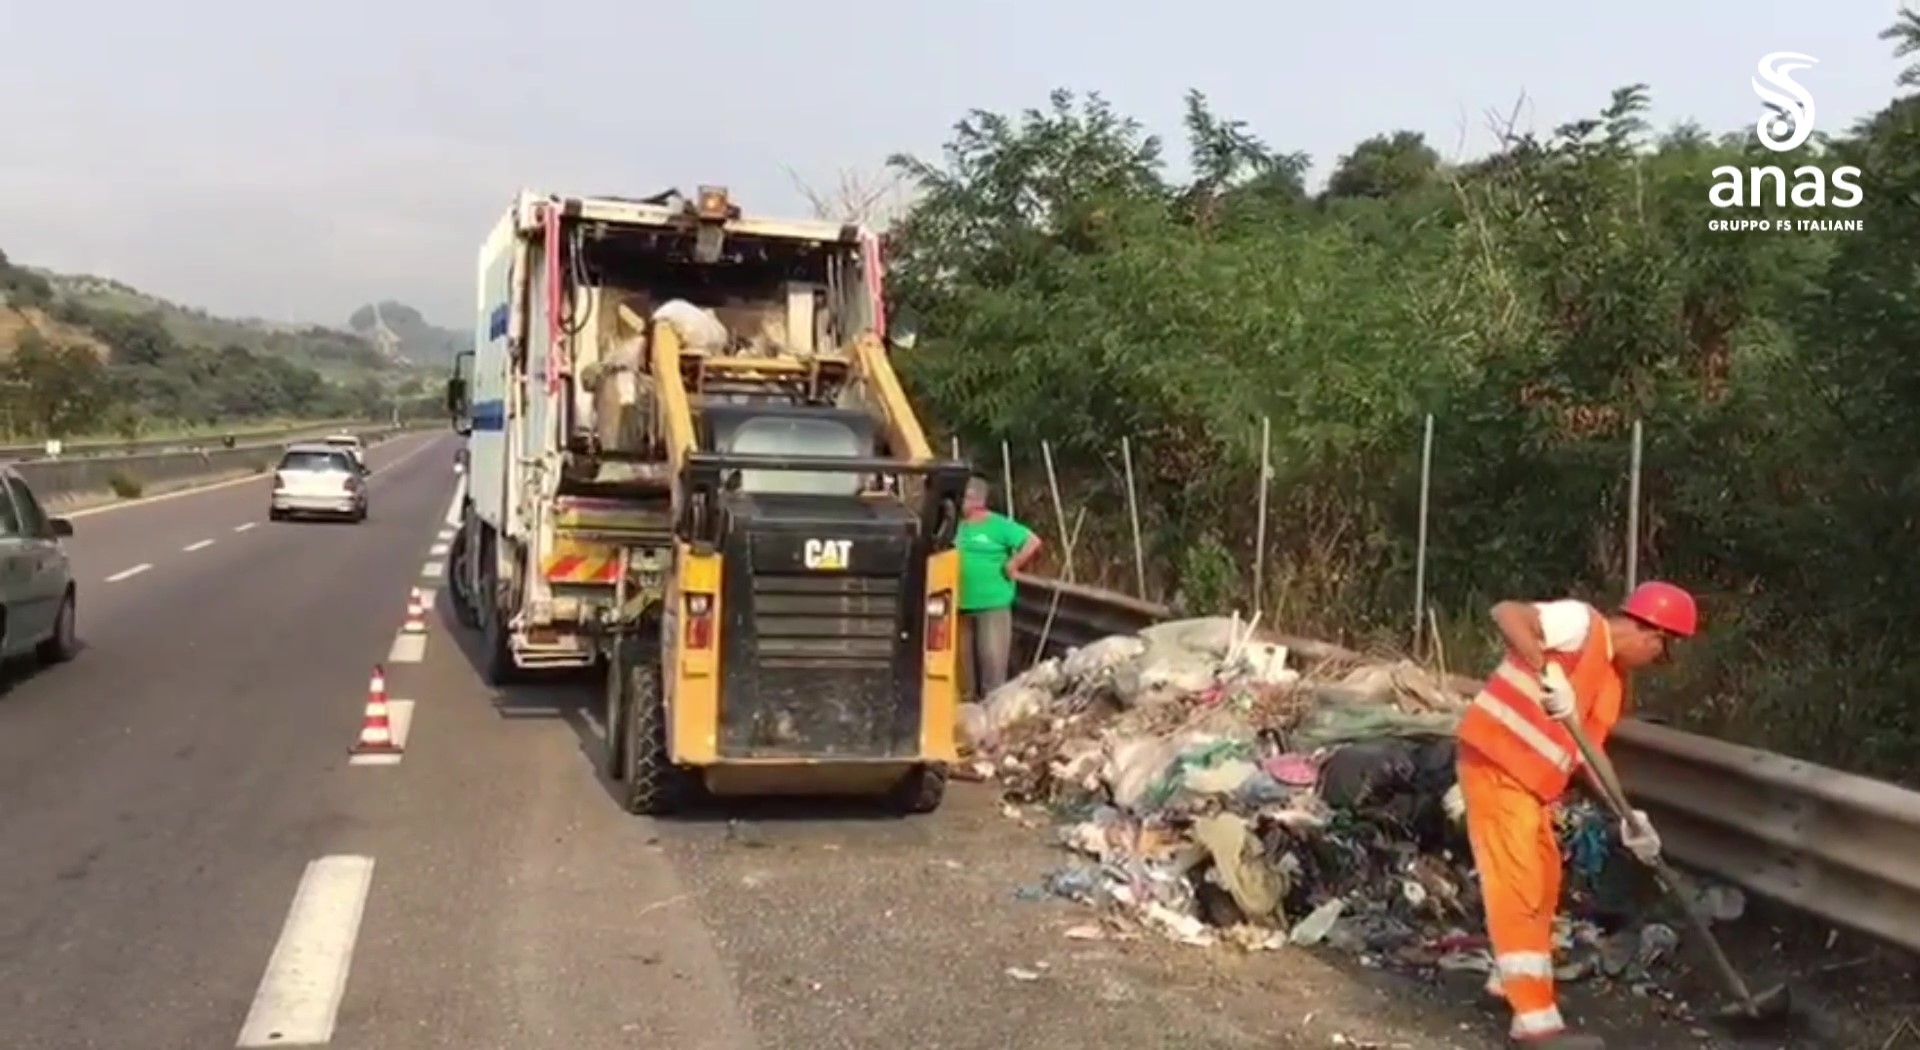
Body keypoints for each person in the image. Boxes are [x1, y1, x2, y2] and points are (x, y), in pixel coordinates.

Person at [1455, 581, 1699, 1048]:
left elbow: (1590, 755)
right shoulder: (1579, 624)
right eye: (1663, 652)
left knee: (1544, 883)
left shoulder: (1609, 681)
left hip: (1529, 787)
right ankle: (1534, 1022)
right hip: (1496, 763)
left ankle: (1505, 982)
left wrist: (1629, 816)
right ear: (1652, 635)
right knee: (1519, 885)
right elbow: (1506, 609)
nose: (1657, 662)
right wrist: (1549, 671)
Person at [955, 475, 1042, 701]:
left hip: (992, 605)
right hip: (959, 605)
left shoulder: (999, 526)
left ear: (975, 500)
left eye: (962, 498)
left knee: (992, 670)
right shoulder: (955, 527)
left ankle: (993, 720)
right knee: (964, 675)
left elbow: (1032, 541)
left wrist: (1013, 564)